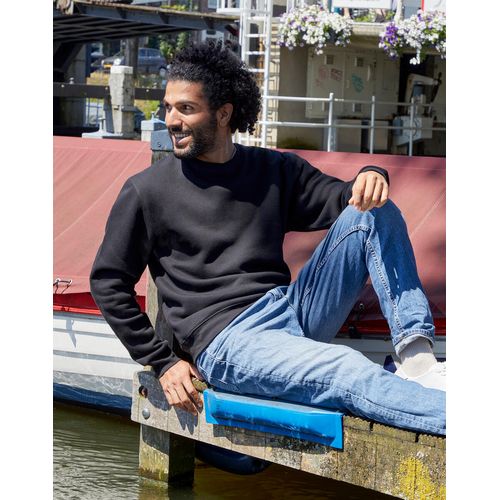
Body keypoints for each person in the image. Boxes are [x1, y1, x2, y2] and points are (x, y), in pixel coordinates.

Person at [90, 41, 445, 436]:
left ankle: (417, 361)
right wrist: (161, 361)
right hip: (229, 340)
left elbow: (347, 198)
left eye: (186, 108)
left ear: (223, 113)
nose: (172, 120)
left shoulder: (272, 169)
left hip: (291, 309)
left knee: (374, 210)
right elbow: (108, 282)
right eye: (168, 108)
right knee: (347, 368)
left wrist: (372, 173)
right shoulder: (146, 190)